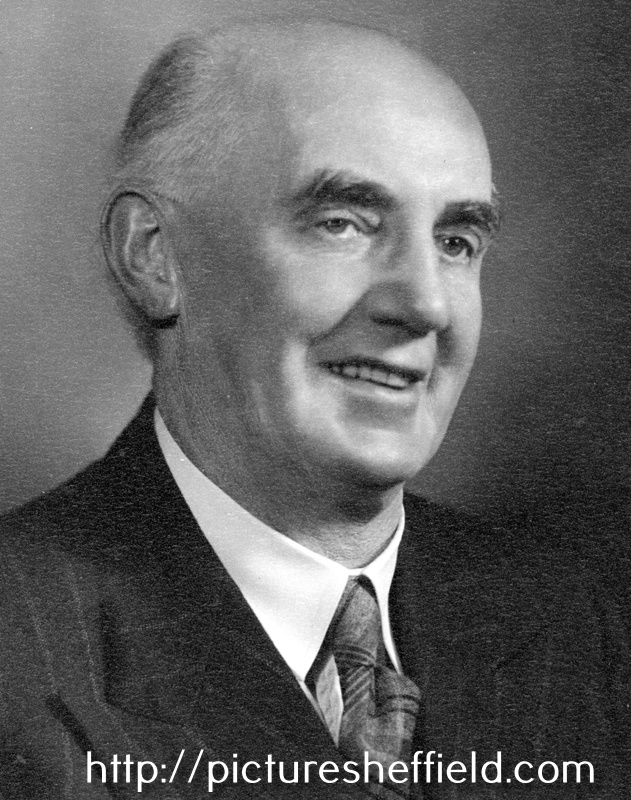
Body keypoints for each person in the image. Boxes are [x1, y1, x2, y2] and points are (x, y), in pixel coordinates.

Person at [0, 19, 627, 800]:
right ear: (154, 255)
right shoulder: (19, 645)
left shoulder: (569, 619)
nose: (425, 304)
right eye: (342, 224)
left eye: (456, 242)